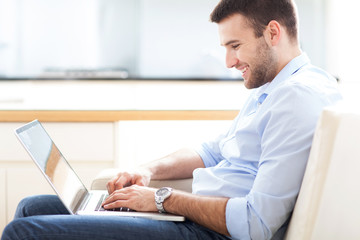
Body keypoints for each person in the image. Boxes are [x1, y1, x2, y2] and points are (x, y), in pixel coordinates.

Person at [1, 0, 342, 239]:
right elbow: (213, 151)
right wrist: (148, 172)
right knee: (32, 207)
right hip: (193, 216)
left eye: (235, 45)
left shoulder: (297, 98)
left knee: (23, 232)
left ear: (272, 33)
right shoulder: (272, 87)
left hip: (210, 232)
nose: (228, 61)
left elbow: (254, 224)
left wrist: (160, 199)